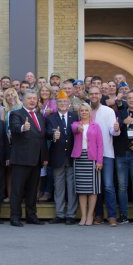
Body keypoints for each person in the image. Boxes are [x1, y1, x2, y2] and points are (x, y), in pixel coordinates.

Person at [8, 91, 48, 227]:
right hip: (21, 159)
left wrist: (53, 134)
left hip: (36, 159)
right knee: (17, 190)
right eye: (29, 98)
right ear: (23, 100)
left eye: (34, 98)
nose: (32, 101)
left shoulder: (39, 116)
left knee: (32, 190)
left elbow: (41, 136)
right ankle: (15, 217)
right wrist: (22, 127)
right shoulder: (16, 114)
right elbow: (13, 128)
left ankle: (31, 216)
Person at [88, 86, 120, 226]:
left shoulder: (108, 111)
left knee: (108, 186)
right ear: (88, 95)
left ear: (101, 95)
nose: (94, 96)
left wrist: (116, 129)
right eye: (91, 94)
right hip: (90, 154)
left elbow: (113, 132)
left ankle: (112, 215)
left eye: (96, 93)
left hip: (106, 153)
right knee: (95, 187)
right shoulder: (85, 110)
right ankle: (99, 214)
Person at [46, 91, 78, 224]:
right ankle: (60, 214)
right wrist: (53, 135)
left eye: (65, 102)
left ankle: (71, 214)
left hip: (71, 156)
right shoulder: (50, 118)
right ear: (56, 104)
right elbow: (46, 133)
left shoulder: (74, 116)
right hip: (57, 157)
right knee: (58, 186)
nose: (63, 104)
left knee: (71, 187)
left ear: (69, 103)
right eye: (60, 102)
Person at [114, 89, 133, 224]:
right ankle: (124, 215)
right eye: (129, 98)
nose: (132, 100)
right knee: (122, 186)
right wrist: (122, 123)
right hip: (121, 154)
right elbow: (113, 130)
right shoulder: (119, 113)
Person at [72, 103, 103, 225]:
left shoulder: (96, 126)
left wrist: (100, 161)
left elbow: (100, 145)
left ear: (90, 112)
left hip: (92, 159)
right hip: (79, 159)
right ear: (79, 113)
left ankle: (90, 215)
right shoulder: (75, 124)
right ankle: (83, 216)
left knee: (93, 189)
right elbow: (74, 129)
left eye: (86, 110)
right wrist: (79, 128)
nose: (84, 112)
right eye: (81, 110)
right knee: (82, 189)